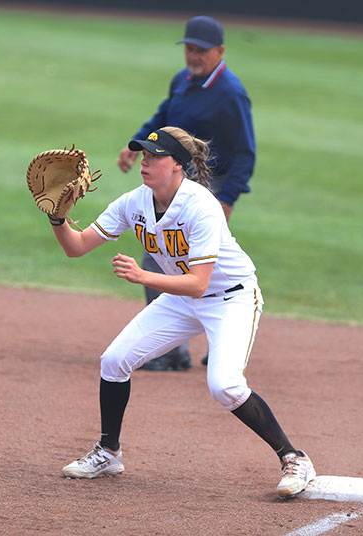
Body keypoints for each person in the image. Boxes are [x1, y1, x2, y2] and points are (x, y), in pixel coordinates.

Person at [50, 127, 314, 498]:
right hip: (180, 297)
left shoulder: (200, 206)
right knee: (113, 360)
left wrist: (144, 276)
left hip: (230, 298)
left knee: (225, 385)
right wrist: (57, 219)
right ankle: (108, 452)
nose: (145, 162)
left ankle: (294, 457)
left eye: (154, 157)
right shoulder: (133, 202)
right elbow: (77, 247)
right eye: (143, 156)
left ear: (177, 165)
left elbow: (200, 283)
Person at [117, 15, 256, 370]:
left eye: (201, 51)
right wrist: (137, 144)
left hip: (211, 185)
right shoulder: (182, 80)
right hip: (175, 180)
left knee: (206, 264)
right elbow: (163, 118)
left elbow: (245, 152)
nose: (193, 56)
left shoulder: (231, 94)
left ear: (220, 52)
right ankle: (174, 348)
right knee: (163, 253)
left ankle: (210, 343)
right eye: (189, 49)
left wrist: (226, 199)